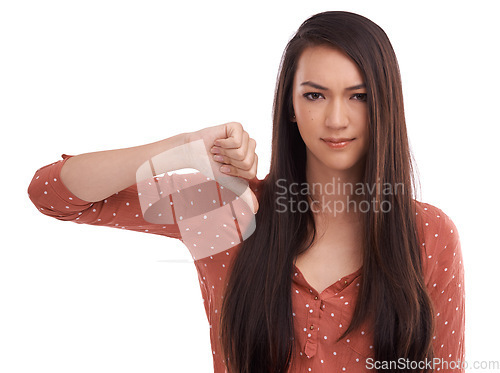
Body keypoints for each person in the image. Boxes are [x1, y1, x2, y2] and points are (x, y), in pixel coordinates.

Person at [27, 10, 465, 373]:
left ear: (385, 104)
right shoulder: (225, 210)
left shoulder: (427, 233)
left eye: (359, 96)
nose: (336, 119)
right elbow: (53, 194)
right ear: (290, 106)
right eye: (315, 95)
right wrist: (185, 146)